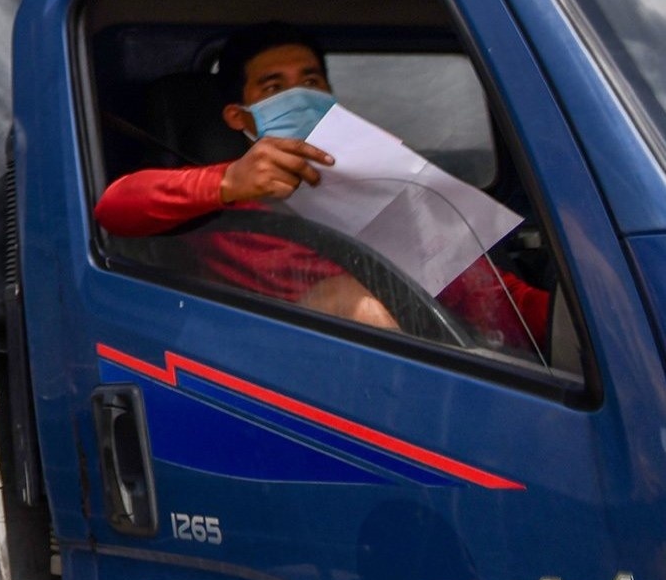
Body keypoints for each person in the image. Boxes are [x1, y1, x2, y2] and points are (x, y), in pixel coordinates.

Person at [94, 22, 549, 350]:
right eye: (274, 86)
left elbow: (478, 291)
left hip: (424, 350)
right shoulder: (226, 189)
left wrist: (565, 327)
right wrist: (229, 182)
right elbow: (115, 208)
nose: (301, 95)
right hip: (269, 365)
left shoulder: (373, 175)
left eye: (311, 80)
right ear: (239, 116)